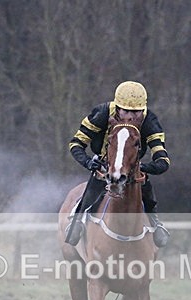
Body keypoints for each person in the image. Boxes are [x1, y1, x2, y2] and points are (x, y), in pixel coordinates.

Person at [65, 81, 171, 247]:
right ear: (117, 108)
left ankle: (156, 224)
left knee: (146, 190)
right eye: (125, 111)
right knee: (92, 192)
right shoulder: (101, 114)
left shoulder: (149, 121)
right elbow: (76, 144)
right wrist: (88, 162)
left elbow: (163, 161)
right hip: (103, 165)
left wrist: (140, 168)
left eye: (136, 112)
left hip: (132, 167)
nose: (130, 116)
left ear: (142, 111)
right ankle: (76, 221)